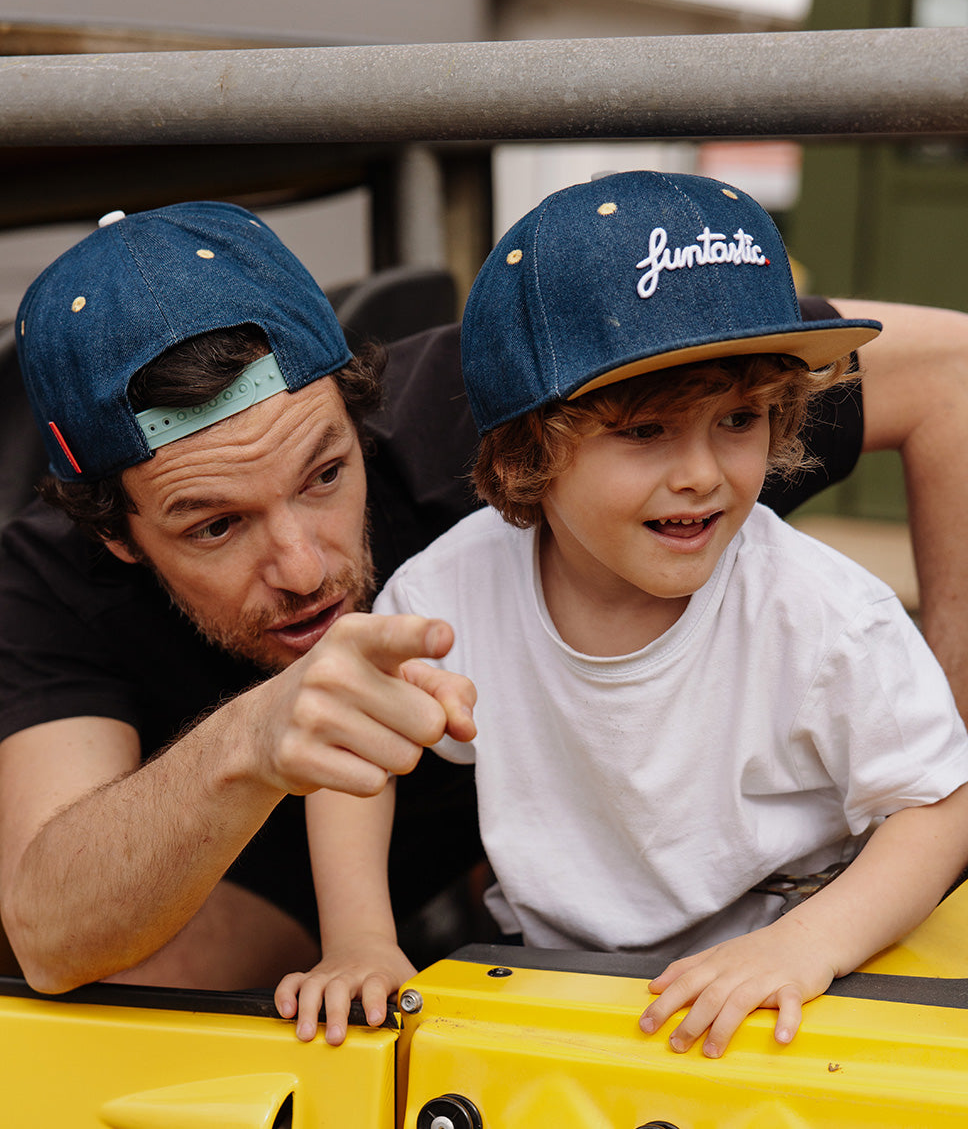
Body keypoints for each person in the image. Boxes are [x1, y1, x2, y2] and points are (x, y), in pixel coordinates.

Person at [0, 195, 968, 998]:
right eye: (215, 524)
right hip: (483, 918)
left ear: (362, 404)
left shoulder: (530, 377)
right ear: (112, 532)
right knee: (151, 994)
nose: (302, 566)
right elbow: (50, 937)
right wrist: (272, 767)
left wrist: (927, 749)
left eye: (324, 473)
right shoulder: (61, 577)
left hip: (742, 913)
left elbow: (948, 366)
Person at [276, 171, 968, 1058]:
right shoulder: (453, 590)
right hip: (564, 989)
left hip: (799, 991)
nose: (701, 473)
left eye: (740, 419)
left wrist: (806, 946)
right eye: (647, 431)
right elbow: (352, 745)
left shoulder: (825, 615)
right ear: (531, 448)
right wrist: (362, 939)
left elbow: (938, 807)